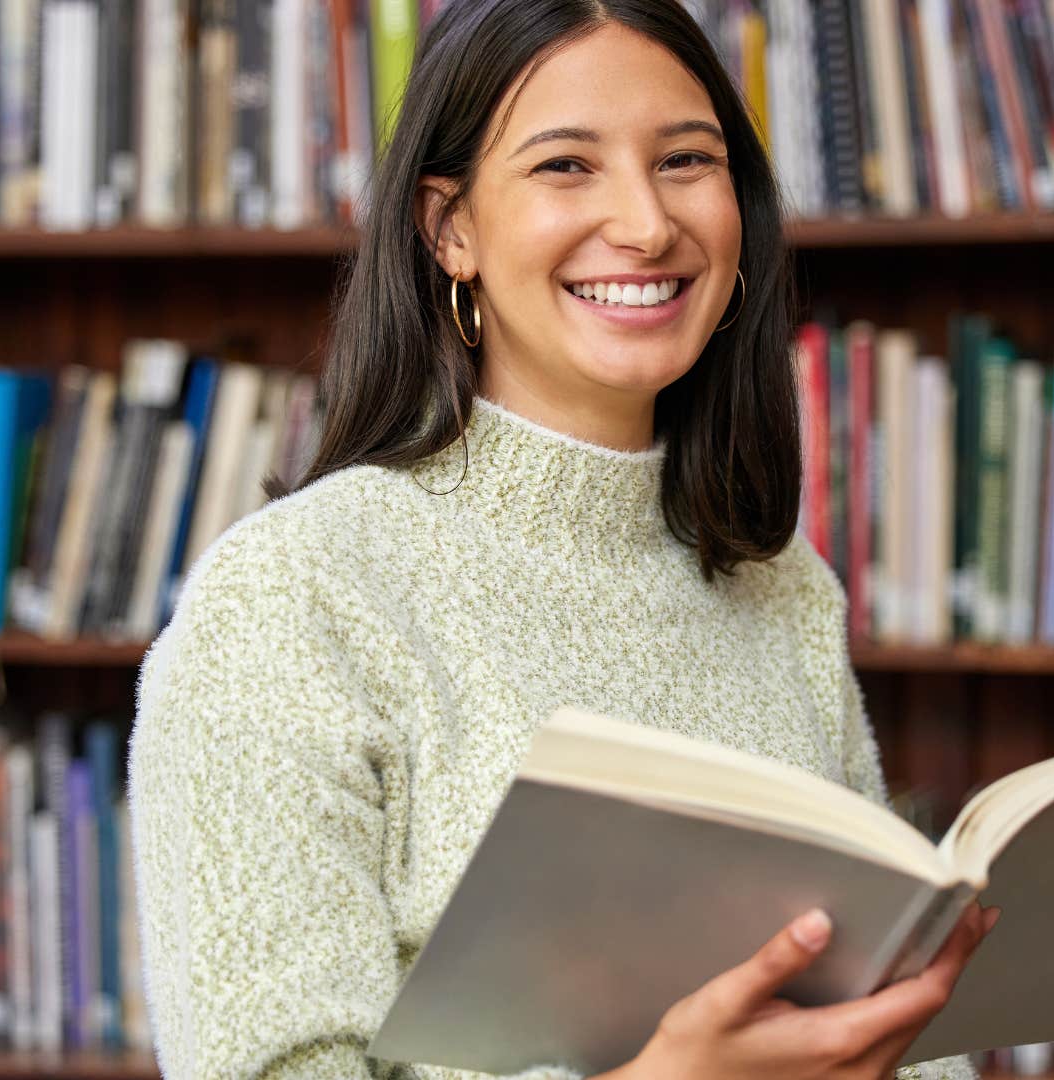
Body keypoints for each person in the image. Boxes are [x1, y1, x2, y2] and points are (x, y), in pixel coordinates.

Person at [126, 1, 997, 1077]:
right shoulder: (293, 597)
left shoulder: (782, 586)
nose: (645, 224)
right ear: (451, 227)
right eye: (566, 167)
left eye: (686, 161)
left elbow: (881, 1019)